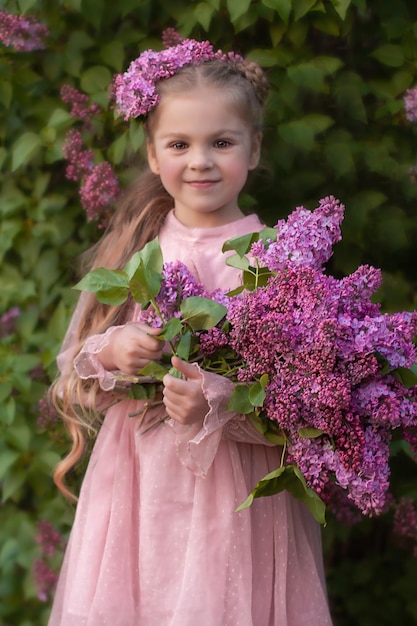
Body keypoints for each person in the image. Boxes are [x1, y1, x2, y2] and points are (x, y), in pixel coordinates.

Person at [48, 33, 333, 626]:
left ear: (253, 150)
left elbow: (313, 401)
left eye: (221, 142)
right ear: (153, 155)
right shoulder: (140, 251)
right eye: (179, 143)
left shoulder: (277, 261)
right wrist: (113, 349)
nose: (199, 160)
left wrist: (222, 399)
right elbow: (75, 359)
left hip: (234, 491)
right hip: (139, 483)